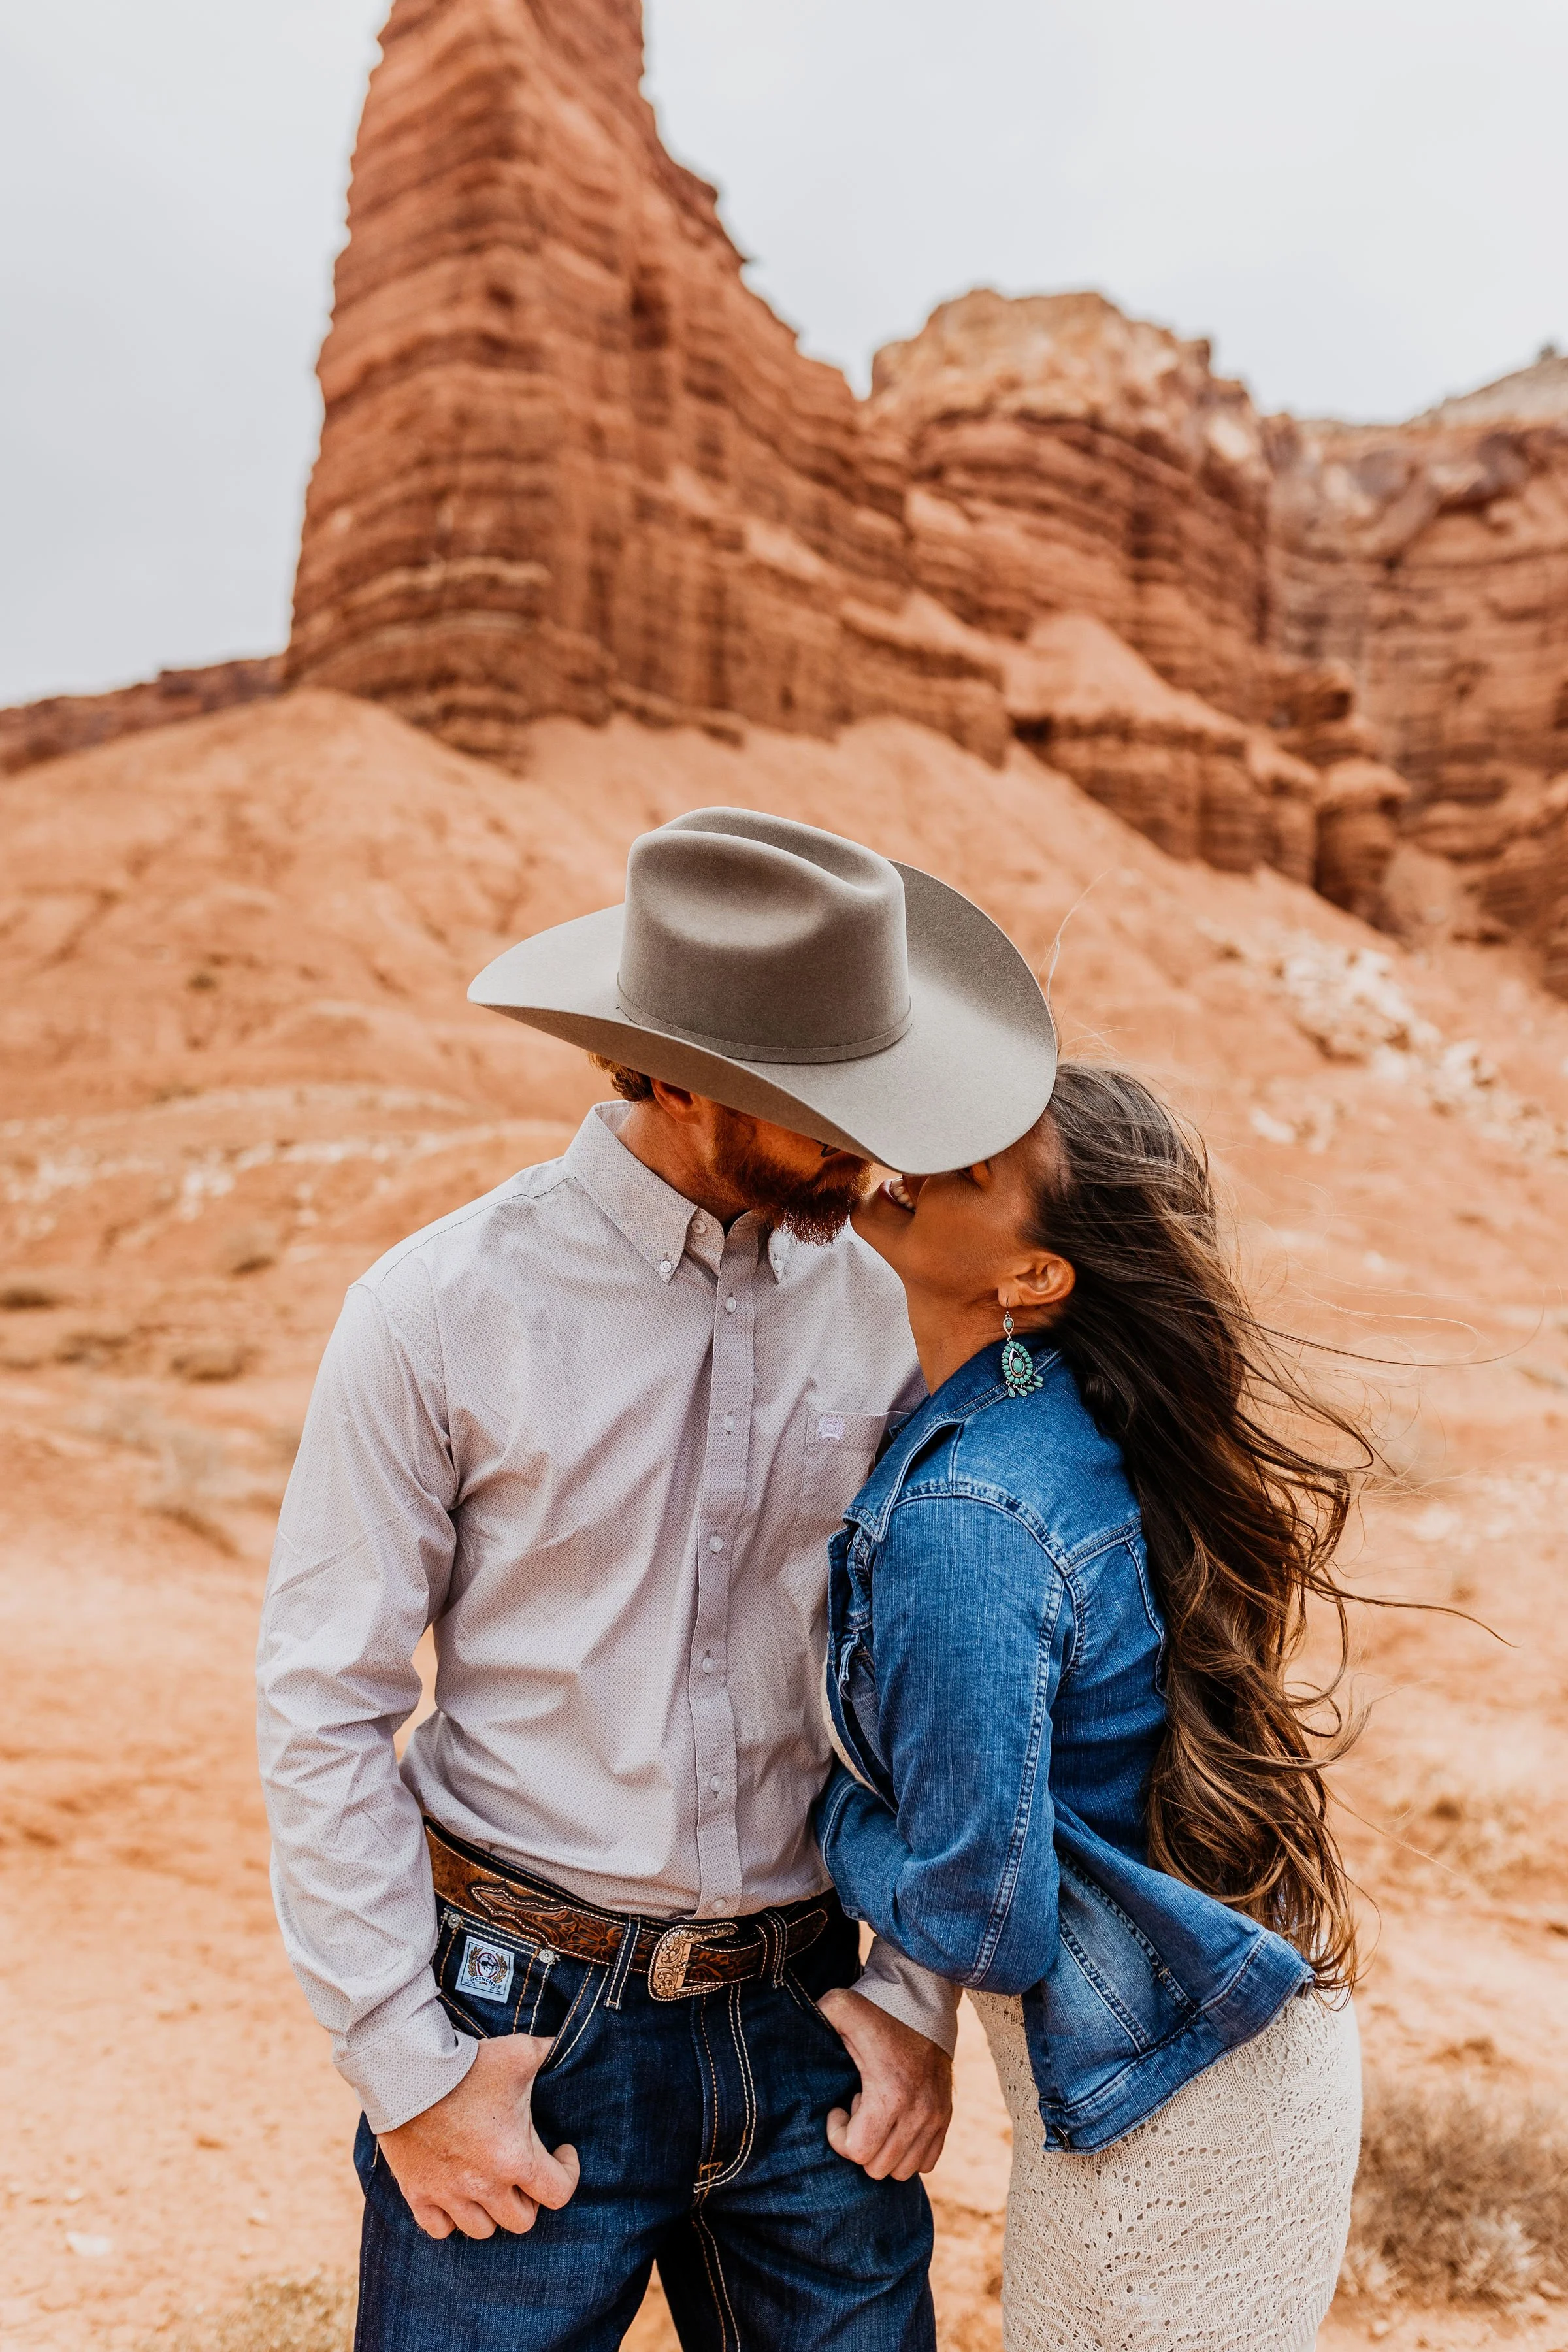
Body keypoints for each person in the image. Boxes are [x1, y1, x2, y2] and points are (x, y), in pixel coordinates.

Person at [256, 806, 1058, 2350]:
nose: (871, 1151)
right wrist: (408, 2074)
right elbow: (325, 1701)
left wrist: (909, 2007)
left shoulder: (899, 1312)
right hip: (523, 2032)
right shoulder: (437, 1311)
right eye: (827, 1109)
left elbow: (936, 1686)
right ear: (678, 1078)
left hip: (817, 2024)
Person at [817, 1062, 1365, 2352]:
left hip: (1166, 2122)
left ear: (1036, 1281)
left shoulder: (969, 1518)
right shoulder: (1052, 1419)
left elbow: (986, 1917)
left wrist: (840, 1816)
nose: (927, 1156)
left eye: (980, 1168)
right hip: (1233, 2052)